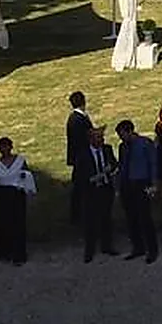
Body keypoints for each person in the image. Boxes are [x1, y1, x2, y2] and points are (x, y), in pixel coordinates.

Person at [0, 136, 34, 265]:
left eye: (7, 146)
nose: (5, 149)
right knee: (3, 225)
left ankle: (19, 254)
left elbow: (27, 176)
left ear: (11, 147)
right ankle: (5, 252)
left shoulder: (20, 160)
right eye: (2, 147)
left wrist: (28, 192)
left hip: (17, 193)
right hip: (2, 195)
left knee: (18, 224)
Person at [73, 124, 119, 262]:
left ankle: (107, 245)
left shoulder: (107, 149)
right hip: (90, 191)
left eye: (102, 137)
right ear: (91, 139)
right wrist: (92, 179)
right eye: (98, 138)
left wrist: (111, 168)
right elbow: (77, 176)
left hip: (105, 189)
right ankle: (89, 250)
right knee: (90, 221)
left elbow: (114, 164)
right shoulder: (83, 155)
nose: (102, 140)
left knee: (106, 218)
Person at [116, 119, 160, 263]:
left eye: (122, 135)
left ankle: (152, 250)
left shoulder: (145, 144)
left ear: (130, 131)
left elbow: (153, 164)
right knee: (131, 218)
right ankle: (138, 247)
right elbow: (122, 167)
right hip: (127, 185)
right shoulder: (123, 147)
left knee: (145, 217)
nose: (121, 138)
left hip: (142, 183)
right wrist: (119, 186)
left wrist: (153, 184)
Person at [66, 90, 91, 225]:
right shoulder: (78, 119)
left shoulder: (74, 118)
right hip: (81, 158)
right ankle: (77, 215)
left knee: (79, 186)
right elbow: (82, 138)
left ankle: (78, 214)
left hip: (78, 157)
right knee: (80, 186)